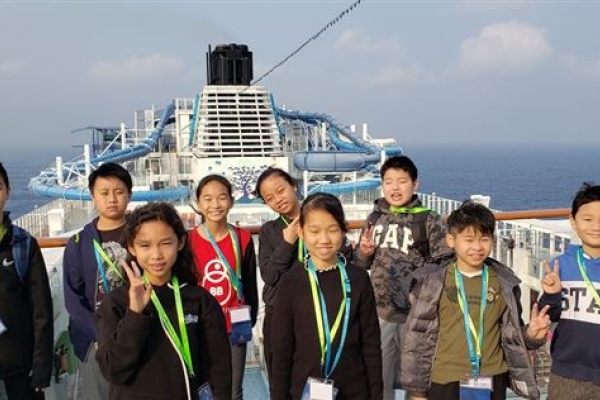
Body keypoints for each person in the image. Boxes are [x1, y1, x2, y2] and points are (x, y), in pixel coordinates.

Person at [401, 201, 550, 400]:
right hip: (444, 379)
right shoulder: (432, 283)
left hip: (493, 377)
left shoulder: (504, 283)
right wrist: (417, 392)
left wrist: (532, 335)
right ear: (451, 240)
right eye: (469, 240)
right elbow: (416, 338)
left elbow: (511, 335)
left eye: (484, 239)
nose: (477, 247)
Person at [95, 202, 232, 400]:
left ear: (181, 242)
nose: (156, 255)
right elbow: (113, 369)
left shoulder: (199, 301)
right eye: (145, 245)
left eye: (166, 243)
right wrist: (134, 315)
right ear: (132, 247)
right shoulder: (115, 303)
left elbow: (219, 370)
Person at [355, 155, 451, 400]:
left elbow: (444, 265)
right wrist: (364, 252)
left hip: (417, 316)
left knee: (416, 381)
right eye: (388, 182)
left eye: (402, 181)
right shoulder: (375, 218)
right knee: (380, 378)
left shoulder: (429, 220)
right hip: (381, 314)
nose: (395, 188)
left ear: (415, 184)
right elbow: (361, 263)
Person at [271, 193, 383, 400]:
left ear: (343, 230)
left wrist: (376, 395)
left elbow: (371, 345)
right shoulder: (290, 282)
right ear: (301, 231)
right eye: (314, 231)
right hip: (303, 392)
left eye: (332, 230)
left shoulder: (358, 279)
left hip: (355, 392)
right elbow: (281, 350)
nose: (324, 239)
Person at [63, 162, 132, 399]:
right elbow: (73, 299)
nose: (112, 198)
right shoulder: (79, 243)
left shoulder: (142, 235)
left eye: (119, 191)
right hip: (95, 340)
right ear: (93, 197)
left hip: (137, 333)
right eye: (104, 193)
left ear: (129, 195)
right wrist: (100, 334)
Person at [189, 175, 258, 400]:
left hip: (235, 324)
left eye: (221, 197)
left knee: (234, 390)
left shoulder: (242, 237)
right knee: (204, 389)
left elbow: (249, 283)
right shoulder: (188, 240)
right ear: (199, 203)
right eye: (208, 199)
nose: (215, 204)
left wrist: (250, 319)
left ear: (231, 201)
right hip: (201, 326)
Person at [538, 183, 600, 399]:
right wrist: (551, 294)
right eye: (588, 219)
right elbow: (550, 314)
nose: (596, 226)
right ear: (573, 221)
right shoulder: (560, 266)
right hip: (567, 372)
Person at [0, 161, 53, 399]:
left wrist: (41, 366)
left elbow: (41, 310)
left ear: (7, 191)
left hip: (20, 367)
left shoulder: (23, 244)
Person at [254, 167, 303, 388]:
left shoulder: (318, 221)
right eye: (269, 198)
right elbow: (269, 275)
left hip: (316, 310)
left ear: (294, 186)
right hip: (279, 313)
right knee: (280, 381)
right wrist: (288, 242)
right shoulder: (269, 230)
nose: (278, 200)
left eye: (280, 190)